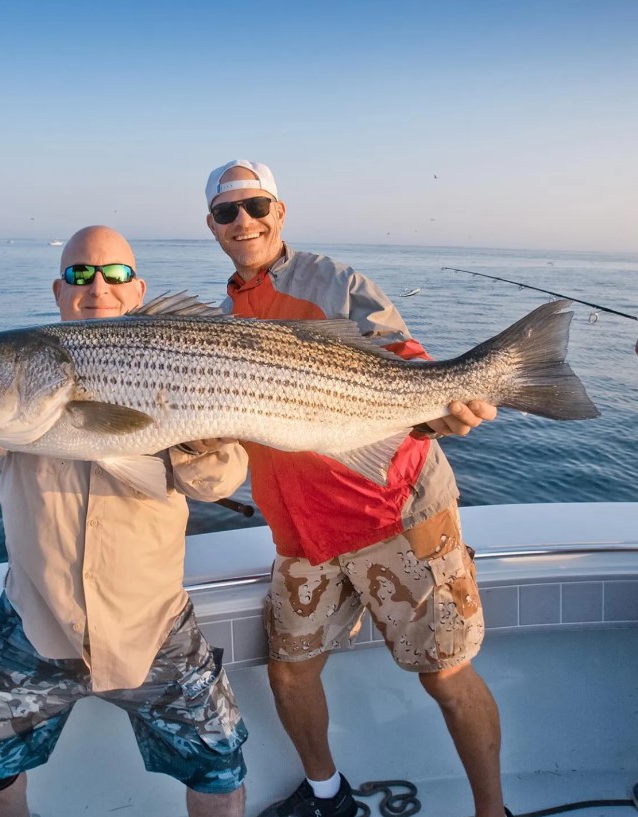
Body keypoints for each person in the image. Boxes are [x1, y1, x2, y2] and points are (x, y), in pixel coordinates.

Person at [0, 226, 250, 817]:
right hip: (36, 623)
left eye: (115, 274)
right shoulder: (25, 378)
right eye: (80, 274)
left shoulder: (183, 363)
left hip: (152, 625)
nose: (99, 287)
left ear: (138, 290)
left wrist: (200, 440)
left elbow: (219, 482)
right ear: (59, 291)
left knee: (220, 773)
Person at [204, 161, 506, 817]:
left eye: (256, 206)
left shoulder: (333, 282)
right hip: (304, 535)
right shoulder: (226, 313)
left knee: (446, 675)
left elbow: (402, 360)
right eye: (227, 212)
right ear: (212, 226)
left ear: (280, 212)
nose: (243, 221)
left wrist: (442, 406)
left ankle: (492, 811)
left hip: (395, 516)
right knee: (290, 672)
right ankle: (327, 794)